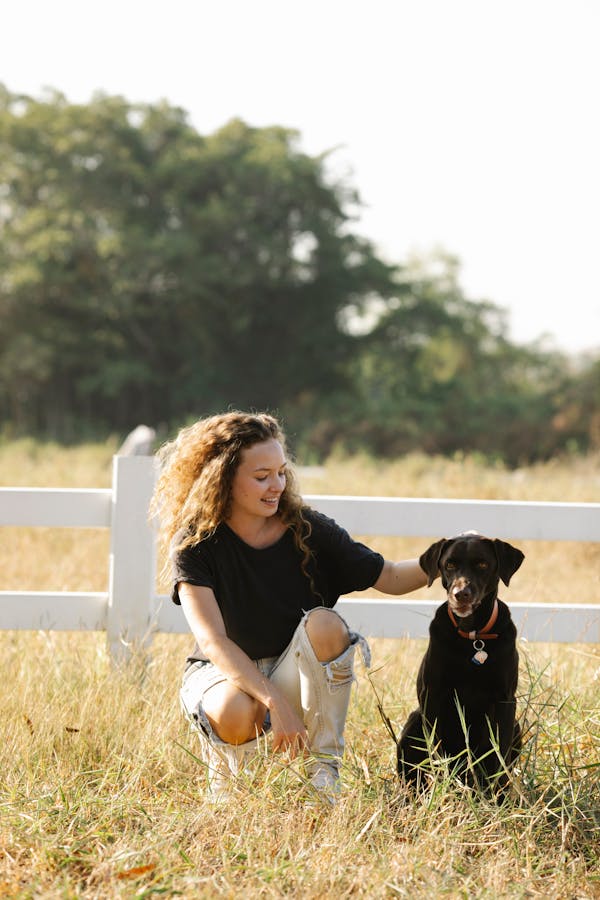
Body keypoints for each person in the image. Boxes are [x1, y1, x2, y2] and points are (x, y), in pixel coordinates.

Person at [151, 411, 429, 802]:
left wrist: (452, 553)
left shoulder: (308, 528)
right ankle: (230, 783)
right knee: (234, 709)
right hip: (224, 674)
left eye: (281, 472)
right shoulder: (196, 543)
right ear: (223, 479)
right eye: (261, 476)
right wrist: (273, 701)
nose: (276, 485)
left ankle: (323, 772)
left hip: (295, 670)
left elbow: (393, 577)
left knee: (326, 624)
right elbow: (213, 642)